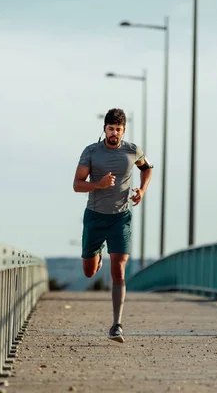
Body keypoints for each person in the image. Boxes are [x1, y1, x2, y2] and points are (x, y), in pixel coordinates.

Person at [72, 108, 153, 343]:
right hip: (95, 217)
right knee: (89, 271)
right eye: (111, 129)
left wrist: (142, 191)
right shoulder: (91, 152)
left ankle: (116, 325)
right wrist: (98, 184)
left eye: (118, 129)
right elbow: (77, 184)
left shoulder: (132, 150)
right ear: (104, 129)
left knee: (119, 268)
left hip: (121, 217)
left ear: (124, 130)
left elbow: (147, 168)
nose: (114, 133)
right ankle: (95, 253)